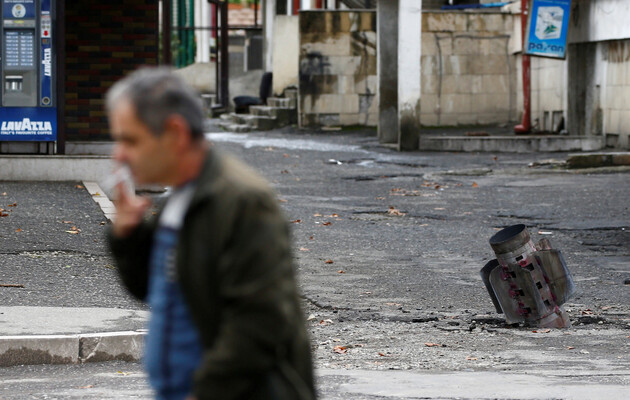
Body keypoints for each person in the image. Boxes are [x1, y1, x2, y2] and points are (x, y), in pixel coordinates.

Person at [105, 67, 315, 400]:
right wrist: (127, 237)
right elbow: (155, 290)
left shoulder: (242, 201)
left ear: (175, 133)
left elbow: (261, 323)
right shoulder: (177, 200)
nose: (119, 154)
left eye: (130, 140)